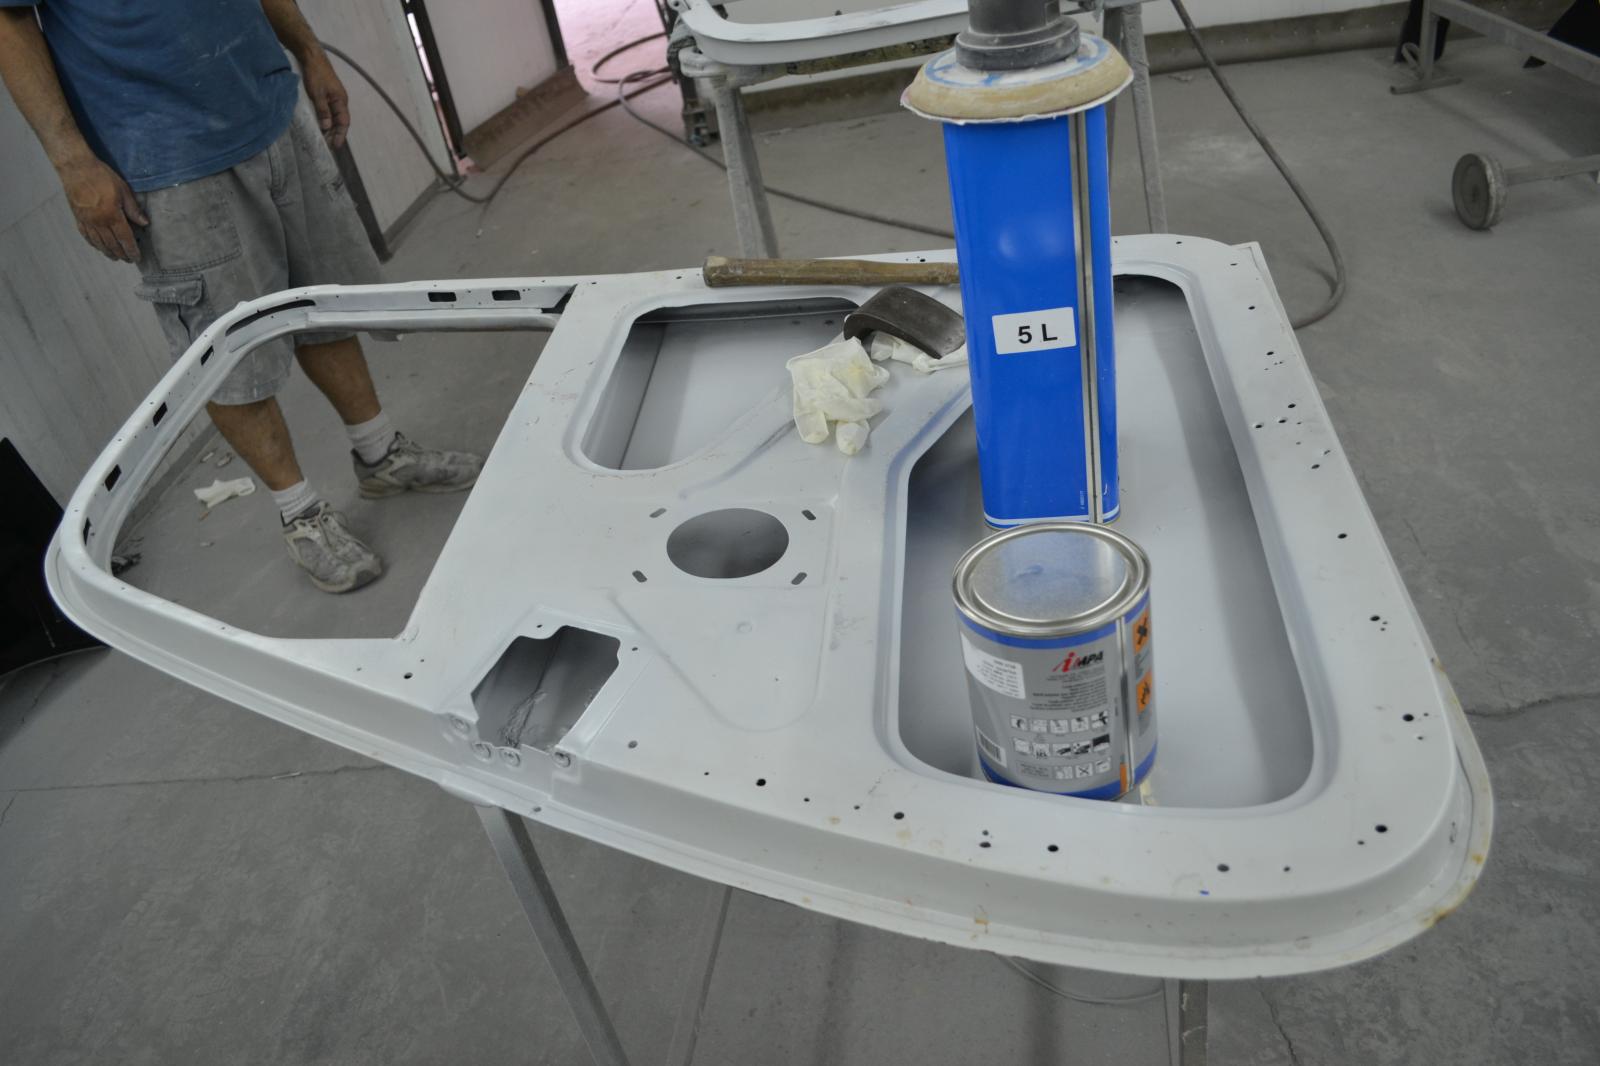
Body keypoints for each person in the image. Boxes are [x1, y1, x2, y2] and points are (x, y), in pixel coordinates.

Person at [0, 0, 483, 593]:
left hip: (267, 103)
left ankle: (381, 454)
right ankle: (300, 513)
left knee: (322, 301)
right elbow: (10, 22)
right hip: (164, 153)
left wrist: (307, 49)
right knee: (225, 354)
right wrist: (73, 161)